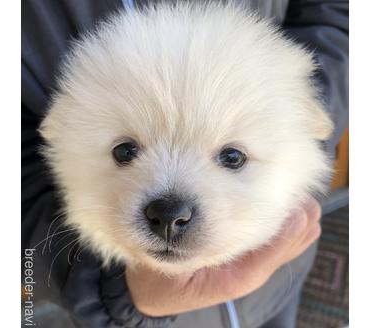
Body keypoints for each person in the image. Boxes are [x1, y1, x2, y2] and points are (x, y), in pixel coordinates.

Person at [22, 1, 348, 327]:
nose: (171, 215)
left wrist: (320, 94)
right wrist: (111, 292)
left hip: (277, 283)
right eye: (125, 152)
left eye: (232, 158)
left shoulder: (285, 110)